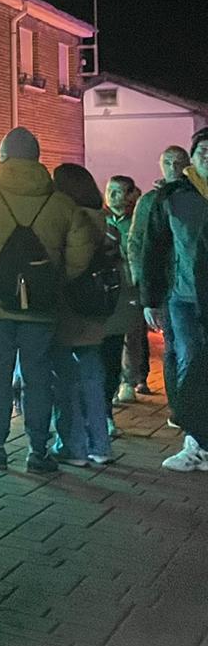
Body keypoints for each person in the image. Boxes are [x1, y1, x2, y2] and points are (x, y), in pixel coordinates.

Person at [0, 127, 95, 473]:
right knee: (39, 377)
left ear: (2, 156)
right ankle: (38, 451)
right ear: (37, 158)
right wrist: (56, 280)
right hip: (42, 307)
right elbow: (81, 251)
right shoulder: (61, 203)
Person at [139, 130, 208, 470]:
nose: (207, 156)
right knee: (190, 361)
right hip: (183, 296)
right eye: (202, 151)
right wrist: (150, 298)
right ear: (191, 159)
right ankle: (195, 439)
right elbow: (153, 248)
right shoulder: (173, 196)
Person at [49, 164, 116, 466]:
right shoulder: (104, 219)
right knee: (92, 376)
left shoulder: (67, 218)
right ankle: (100, 445)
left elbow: (64, 264)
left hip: (68, 306)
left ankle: (72, 446)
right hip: (96, 308)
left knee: (64, 379)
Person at [127, 147, 189, 409]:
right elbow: (137, 244)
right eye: (167, 162)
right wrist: (144, 291)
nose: (172, 167)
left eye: (178, 162)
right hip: (166, 287)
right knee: (174, 348)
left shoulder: (195, 195)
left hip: (190, 283)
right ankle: (178, 408)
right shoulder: (150, 201)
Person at [102, 175, 145, 407]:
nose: (113, 196)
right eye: (110, 191)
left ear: (130, 195)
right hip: (107, 286)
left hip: (130, 285)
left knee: (132, 335)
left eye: (119, 192)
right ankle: (113, 379)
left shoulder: (135, 221)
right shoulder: (102, 220)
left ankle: (128, 381)